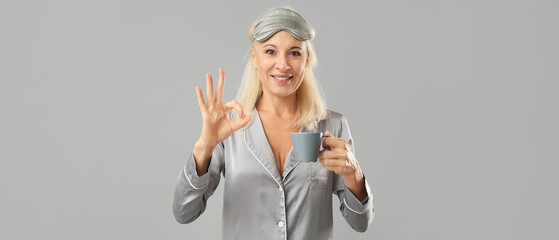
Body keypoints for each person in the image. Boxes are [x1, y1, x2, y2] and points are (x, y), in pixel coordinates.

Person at [173, 7, 374, 239]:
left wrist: (354, 175)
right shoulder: (229, 128)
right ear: (255, 58)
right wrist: (204, 146)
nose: (282, 65)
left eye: (294, 53)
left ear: (306, 59)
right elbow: (183, 212)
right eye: (270, 51)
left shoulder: (334, 125)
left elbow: (360, 223)